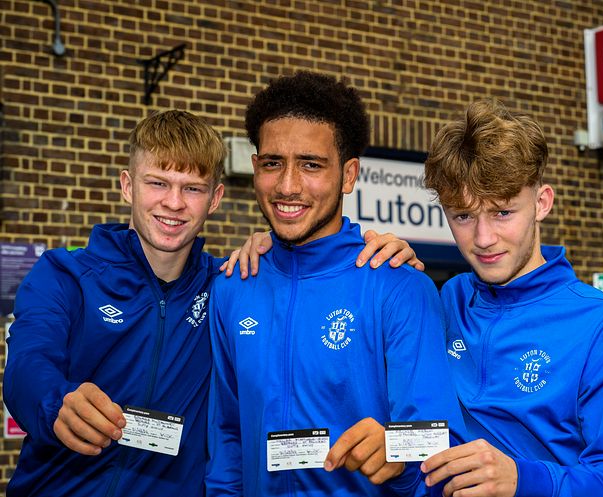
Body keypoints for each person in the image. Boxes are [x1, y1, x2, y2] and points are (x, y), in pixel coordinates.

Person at [3, 109, 416, 497]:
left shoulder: (227, 288)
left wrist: (377, 250)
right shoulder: (65, 275)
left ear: (215, 198)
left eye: (193, 189)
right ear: (128, 185)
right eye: (157, 183)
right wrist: (56, 402)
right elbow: (26, 366)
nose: (174, 203)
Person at [206, 71, 466, 497]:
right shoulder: (233, 286)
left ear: (348, 175)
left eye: (311, 164)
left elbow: (438, 449)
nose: (288, 185)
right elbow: (227, 440)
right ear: (255, 168)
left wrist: (397, 459)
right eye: (273, 163)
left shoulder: (398, 286)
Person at [417, 100, 603, 497]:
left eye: (503, 212)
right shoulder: (448, 301)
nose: (483, 238)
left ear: (542, 202)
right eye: (463, 216)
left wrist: (523, 480)